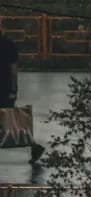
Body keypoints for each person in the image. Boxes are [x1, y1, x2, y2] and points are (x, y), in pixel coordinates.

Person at [0, 27, 44, 164]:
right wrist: (14, 89)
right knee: (13, 121)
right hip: (6, 89)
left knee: (8, 123)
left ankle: (34, 145)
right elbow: (14, 70)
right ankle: (33, 145)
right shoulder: (10, 45)